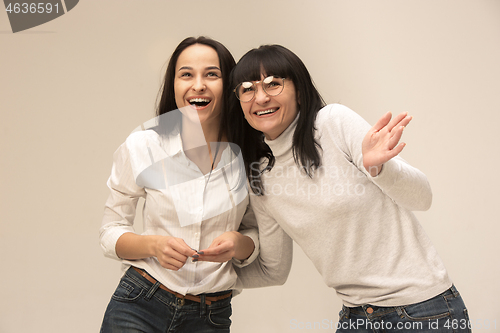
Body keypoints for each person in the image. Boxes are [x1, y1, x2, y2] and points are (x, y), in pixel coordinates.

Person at [223, 44, 471, 332]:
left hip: (423, 312)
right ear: (239, 101)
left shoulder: (332, 123)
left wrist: (379, 169)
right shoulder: (261, 176)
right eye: (247, 89)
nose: (261, 97)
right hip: (356, 317)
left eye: (273, 84)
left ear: (299, 91)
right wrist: (205, 281)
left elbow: (423, 197)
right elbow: (273, 270)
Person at [99, 36, 260, 333]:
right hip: (140, 302)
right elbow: (110, 232)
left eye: (212, 74)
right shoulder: (144, 146)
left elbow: (253, 230)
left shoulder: (251, 155)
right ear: (173, 85)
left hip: (210, 315)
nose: (198, 85)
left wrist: (240, 245)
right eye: (186, 74)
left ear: (230, 86)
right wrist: (153, 245)